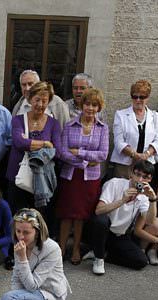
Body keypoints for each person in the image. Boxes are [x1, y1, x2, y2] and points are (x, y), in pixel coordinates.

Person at [56, 87, 109, 265]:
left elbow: (102, 155)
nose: (90, 108)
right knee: (66, 214)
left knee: (80, 215)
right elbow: (62, 152)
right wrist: (86, 160)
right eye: (87, 104)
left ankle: (76, 247)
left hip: (90, 179)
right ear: (82, 104)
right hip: (70, 176)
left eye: (94, 105)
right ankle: (61, 248)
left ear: (99, 107)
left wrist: (78, 152)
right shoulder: (70, 125)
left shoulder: (102, 128)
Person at [86, 160, 158, 275]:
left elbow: (150, 221)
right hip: (101, 230)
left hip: (119, 235)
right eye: (138, 175)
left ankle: (104, 254)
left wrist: (153, 199)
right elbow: (99, 210)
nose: (140, 180)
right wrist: (122, 201)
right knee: (101, 221)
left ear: (150, 180)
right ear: (131, 173)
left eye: (145, 177)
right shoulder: (115, 183)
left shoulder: (145, 197)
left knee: (141, 261)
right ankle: (99, 259)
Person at [7, 82, 60, 213]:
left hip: (42, 179)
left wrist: (29, 142)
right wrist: (45, 144)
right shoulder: (18, 120)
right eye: (37, 100)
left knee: (38, 219)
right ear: (30, 99)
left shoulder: (54, 123)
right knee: (17, 215)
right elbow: (19, 142)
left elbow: (57, 151)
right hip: (18, 177)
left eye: (44, 101)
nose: (40, 105)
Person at [109, 79, 158, 179]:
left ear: (148, 98)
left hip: (146, 166)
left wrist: (146, 155)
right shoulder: (121, 115)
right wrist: (134, 155)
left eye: (142, 97)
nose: (138, 100)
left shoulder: (155, 116)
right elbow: (118, 141)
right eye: (135, 96)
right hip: (124, 165)